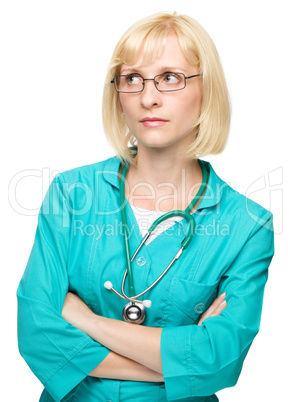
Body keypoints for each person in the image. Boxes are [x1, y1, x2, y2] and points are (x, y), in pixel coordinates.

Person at [17, 11, 275, 402]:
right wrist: (175, 364)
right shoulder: (70, 193)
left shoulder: (247, 226)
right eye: (132, 78)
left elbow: (220, 361)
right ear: (118, 94)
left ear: (208, 91)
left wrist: (85, 320)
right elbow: (37, 331)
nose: (148, 97)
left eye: (170, 77)